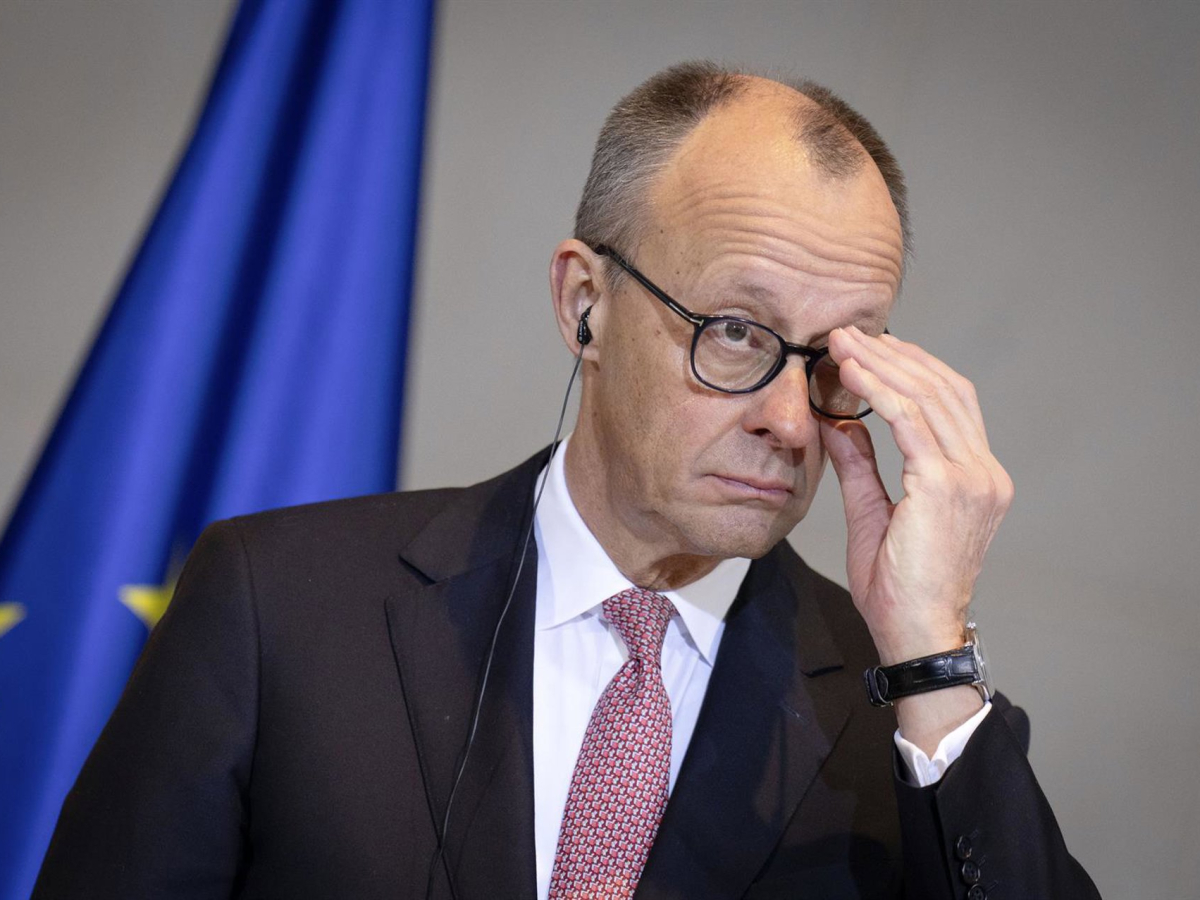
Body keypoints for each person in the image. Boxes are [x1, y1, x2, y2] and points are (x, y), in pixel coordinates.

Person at [33, 62, 1100, 900]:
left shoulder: (906, 712)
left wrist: (930, 656)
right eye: (737, 331)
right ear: (585, 303)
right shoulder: (278, 604)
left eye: (838, 358)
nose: (790, 421)